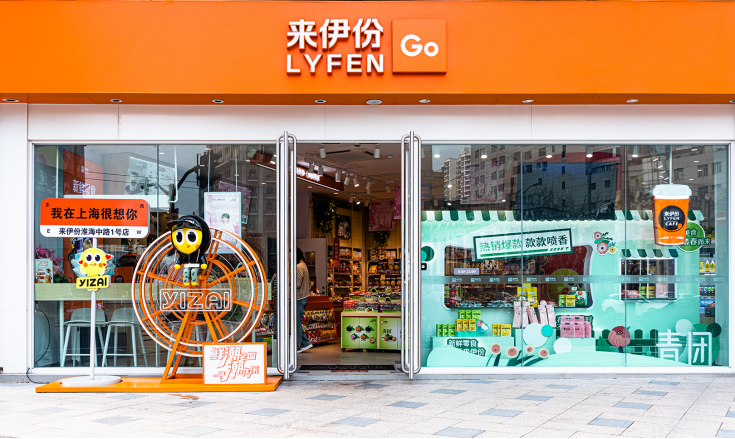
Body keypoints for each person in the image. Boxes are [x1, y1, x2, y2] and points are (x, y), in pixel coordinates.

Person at [296, 247, 313, 353]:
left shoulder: (298, 267)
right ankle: (305, 343)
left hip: (299, 297)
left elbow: (297, 284)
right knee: (297, 322)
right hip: (304, 297)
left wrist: (288, 283)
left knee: (297, 323)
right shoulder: (304, 265)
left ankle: (298, 346)